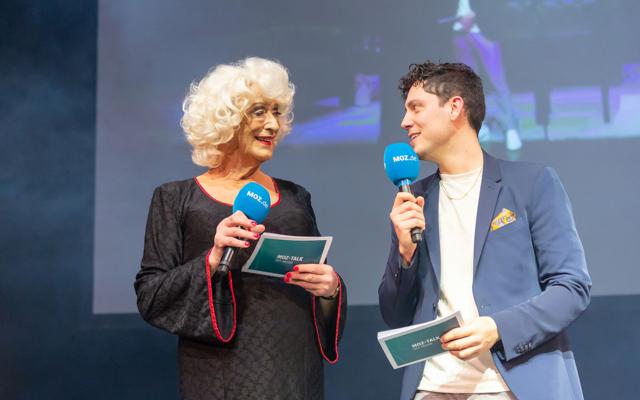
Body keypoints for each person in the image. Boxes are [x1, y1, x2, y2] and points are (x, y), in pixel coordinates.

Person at [134, 57, 346, 400]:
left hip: (295, 371)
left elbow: (317, 288)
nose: (273, 125)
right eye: (259, 112)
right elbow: (151, 296)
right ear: (226, 119)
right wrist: (212, 258)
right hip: (219, 374)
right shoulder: (175, 198)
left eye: (277, 112)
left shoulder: (296, 197)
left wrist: (330, 290)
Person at [379, 61, 590, 400]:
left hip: (510, 385)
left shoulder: (532, 183)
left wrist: (497, 328)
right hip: (432, 386)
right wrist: (404, 254)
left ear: (454, 107)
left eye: (416, 108)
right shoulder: (413, 198)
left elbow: (571, 287)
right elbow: (395, 314)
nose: (405, 122)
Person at [449, 0, 523, 151]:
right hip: (458, 30)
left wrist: (475, 14)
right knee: (466, 84)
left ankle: (509, 127)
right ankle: (478, 125)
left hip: (484, 29)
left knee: (497, 80)